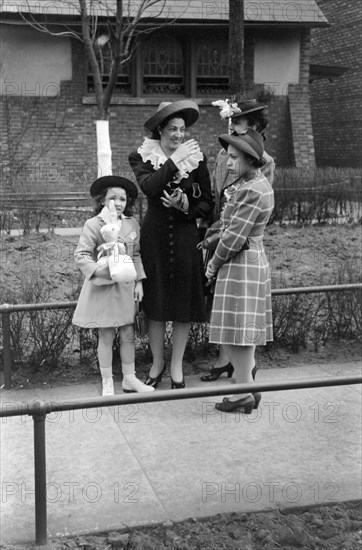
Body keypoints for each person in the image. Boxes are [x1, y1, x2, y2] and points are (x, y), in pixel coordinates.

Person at [128, 100, 213, 389]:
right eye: (173, 129)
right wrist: (174, 161)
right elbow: (150, 187)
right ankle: (157, 362)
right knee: (156, 301)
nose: (179, 135)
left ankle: (176, 365)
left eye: (182, 129)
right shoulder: (141, 155)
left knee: (182, 303)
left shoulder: (197, 159)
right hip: (155, 238)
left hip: (186, 236)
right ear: (160, 129)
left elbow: (207, 206)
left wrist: (186, 203)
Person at [201, 98, 275, 383]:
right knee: (237, 331)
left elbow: (234, 237)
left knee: (240, 332)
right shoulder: (252, 184)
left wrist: (212, 266)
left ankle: (245, 389)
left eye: (234, 158)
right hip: (244, 256)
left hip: (242, 259)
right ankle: (245, 387)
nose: (228, 162)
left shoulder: (252, 188)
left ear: (250, 159)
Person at [72, 175, 154, 396]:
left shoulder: (131, 224)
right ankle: (107, 380)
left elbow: (135, 254)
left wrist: (139, 282)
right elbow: (81, 255)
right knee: (106, 334)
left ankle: (129, 378)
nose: (118, 203)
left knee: (128, 332)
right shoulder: (94, 224)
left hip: (126, 287)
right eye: (113, 198)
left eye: (123, 199)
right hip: (105, 286)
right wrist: (99, 270)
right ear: (102, 200)